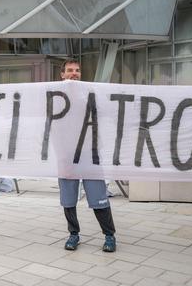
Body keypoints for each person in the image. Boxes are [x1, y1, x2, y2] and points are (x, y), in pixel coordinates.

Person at [58, 59, 117, 252]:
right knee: (68, 198)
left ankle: (109, 235)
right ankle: (73, 234)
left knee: (98, 195)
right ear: (62, 74)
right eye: (70, 70)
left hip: (89, 154)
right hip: (66, 155)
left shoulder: (91, 94)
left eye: (77, 70)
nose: (74, 73)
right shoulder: (56, 98)